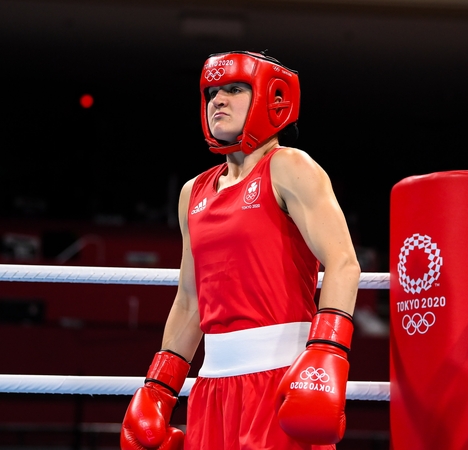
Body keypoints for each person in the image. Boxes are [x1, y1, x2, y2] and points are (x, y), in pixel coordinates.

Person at [120, 50, 361, 450]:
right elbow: (190, 300)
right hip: (212, 386)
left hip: (281, 377)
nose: (218, 100)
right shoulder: (192, 193)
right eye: (212, 91)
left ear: (272, 97)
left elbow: (343, 263)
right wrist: (159, 387)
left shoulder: (288, 167)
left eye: (234, 89)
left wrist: (327, 352)